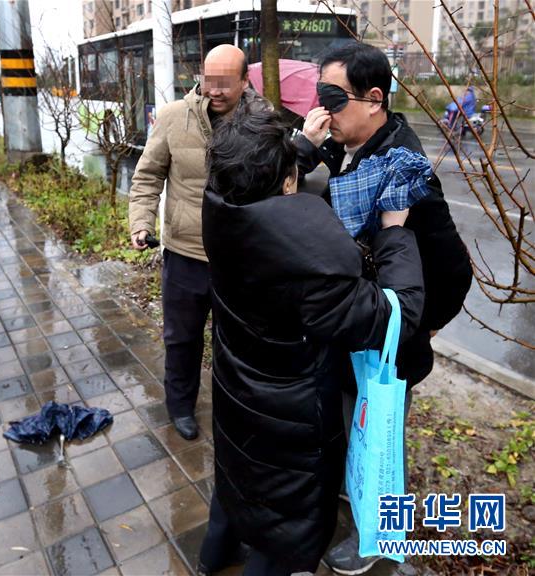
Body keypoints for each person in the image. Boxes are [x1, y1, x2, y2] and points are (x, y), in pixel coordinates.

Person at [199, 107, 425, 575]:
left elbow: (254, 183)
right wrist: (395, 234)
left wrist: (298, 149)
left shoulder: (220, 209)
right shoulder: (310, 270)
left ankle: (212, 556)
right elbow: (397, 315)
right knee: (280, 529)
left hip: (236, 386)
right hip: (289, 417)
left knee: (236, 479)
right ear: (285, 185)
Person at [297, 41, 472, 574]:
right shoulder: (347, 149)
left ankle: (379, 546)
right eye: (318, 96)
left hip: (386, 346)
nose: (322, 111)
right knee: (354, 433)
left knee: (379, 444)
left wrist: (420, 327)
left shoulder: (401, 169)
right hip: (351, 334)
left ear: (374, 99)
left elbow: (450, 268)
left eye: (334, 97)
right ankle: (360, 513)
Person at [128, 44, 267, 440]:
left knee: (237, 344)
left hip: (239, 260)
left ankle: (234, 411)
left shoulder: (261, 121)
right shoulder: (173, 117)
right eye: (209, 80)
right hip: (184, 255)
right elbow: (148, 176)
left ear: (245, 81)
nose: (216, 90)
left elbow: (277, 183)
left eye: (226, 82)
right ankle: (180, 407)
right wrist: (141, 222)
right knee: (182, 339)